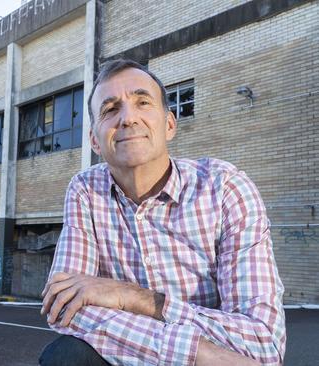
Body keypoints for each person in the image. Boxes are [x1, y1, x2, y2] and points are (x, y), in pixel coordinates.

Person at [39, 59, 286, 365]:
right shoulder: (85, 191)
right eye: (110, 109)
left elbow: (262, 343)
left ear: (169, 125)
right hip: (203, 358)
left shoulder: (225, 188)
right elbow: (62, 306)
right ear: (94, 141)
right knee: (67, 355)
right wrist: (199, 353)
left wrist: (131, 297)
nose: (128, 118)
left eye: (142, 102)